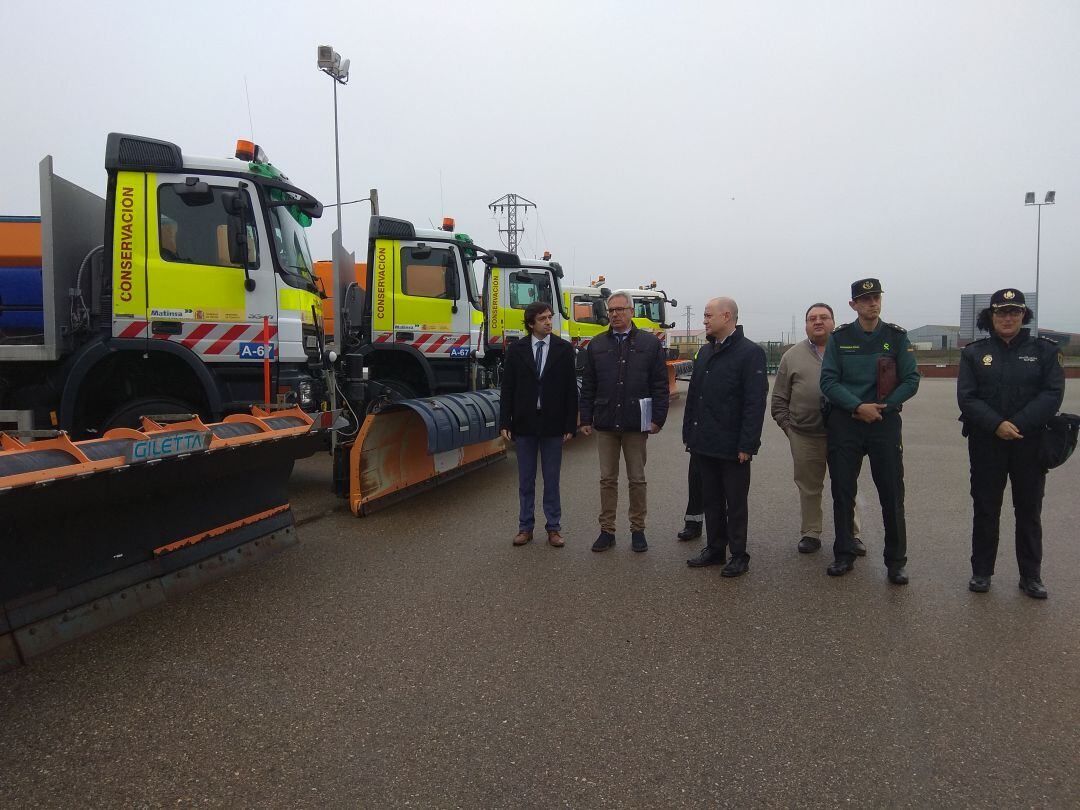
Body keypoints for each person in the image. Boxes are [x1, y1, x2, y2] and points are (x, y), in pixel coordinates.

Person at [957, 289, 1065, 598]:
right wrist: (997, 424)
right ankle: (981, 571)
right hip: (986, 442)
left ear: (1023, 316)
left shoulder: (1044, 351)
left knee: (1029, 510)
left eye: (1014, 312)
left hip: (1029, 443)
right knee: (986, 508)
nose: (1008, 317)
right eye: (1001, 312)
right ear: (991, 316)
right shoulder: (974, 353)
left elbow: (1052, 393)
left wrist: (1016, 424)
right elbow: (967, 397)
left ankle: (1030, 576)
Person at [820, 278, 920, 584]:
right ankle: (844, 554)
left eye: (876, 297)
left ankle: (896, 562)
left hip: (884, 423)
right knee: (842, 492)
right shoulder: (840, 338)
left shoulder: (896, 337)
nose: (872, 303)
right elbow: (828, 381)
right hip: (846, 423)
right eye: (864, 300)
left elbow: (911, 379)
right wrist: (857, 406)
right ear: (853, 305)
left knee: (891, 493)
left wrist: (884, 406)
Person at [771, 303, 864, 555]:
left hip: (843, 434)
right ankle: (811, 533)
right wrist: (788, 427)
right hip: (804, 434)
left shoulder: (848, 350)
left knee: (846, 485)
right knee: (809, 487)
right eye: (812, 318)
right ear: (806, 324)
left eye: (824, 317)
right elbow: (779, 399)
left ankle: (852, 535)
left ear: (834, 322)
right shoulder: (791, 356)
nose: (818, 322)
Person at [684, 298, 768, 577]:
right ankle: (715, 548)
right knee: (711, 499)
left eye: (708, 316)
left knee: (735, 502)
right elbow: (695, 396)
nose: (704, 320)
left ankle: (739, 554)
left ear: (727, 316)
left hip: (733, 446)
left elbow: (754, 403)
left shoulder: (750, 353)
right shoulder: (706, 352)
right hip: (704, 441)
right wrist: (690, 434)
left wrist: (748, 444)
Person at [580, 292, 669, 553]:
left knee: (637, 479)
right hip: (606, 422)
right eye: (611, 310)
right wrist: (586, 417)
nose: (616, 314)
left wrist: (658, 418)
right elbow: (589, 386)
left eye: (620, 309)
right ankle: (607, 531)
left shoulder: (650, 344)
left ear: (631, 311)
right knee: (607, 479)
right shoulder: (596, 345)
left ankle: (637, 530)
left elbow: (660, 384)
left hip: (635, 422)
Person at [499, 302, 579, 548]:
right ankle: (525, 527)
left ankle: (553, 528)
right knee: (526, 480)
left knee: (551, 479)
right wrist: (505, 421)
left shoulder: (564, 350)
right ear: (531, 323)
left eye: (550, 317)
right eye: (543, 318)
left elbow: (570, 390)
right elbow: (508, 388)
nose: (548, 322)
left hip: (553, 425)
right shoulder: (516, 350)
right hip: (524, 424)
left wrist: (570, 424)